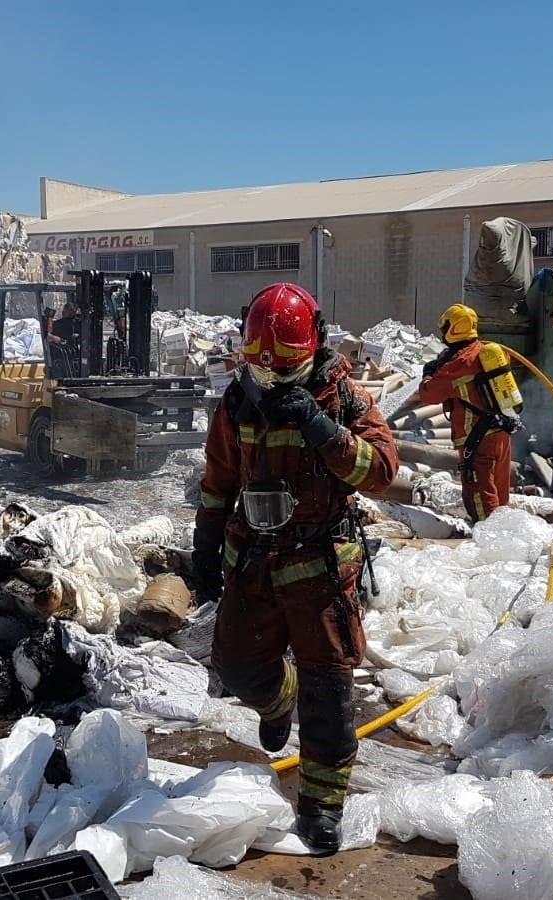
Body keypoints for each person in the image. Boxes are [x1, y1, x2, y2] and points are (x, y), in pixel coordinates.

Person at [193, 282, 398, 855]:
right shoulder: (238, 402)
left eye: (285, 370)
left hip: (320, 568)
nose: (272, 380)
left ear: (315, 348)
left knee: (328, 691)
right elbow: (217, 481)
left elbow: (382, 472)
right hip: (254, 563)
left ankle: (321, 805)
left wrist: (322, 429)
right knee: (236, 668)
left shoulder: (343, 398)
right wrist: (205, 544)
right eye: (262, 369)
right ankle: (278, 698)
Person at [417, 303, 522, 522]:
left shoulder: (460, 362)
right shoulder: (487, 351)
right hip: (501, 432)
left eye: (445, 327)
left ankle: (490, 536)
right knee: (500, 494)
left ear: (453, 328)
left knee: (481, 498)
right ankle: (505, 532)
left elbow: (429, 394)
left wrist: (429, 374)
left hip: (477, 437)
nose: (442, 333)